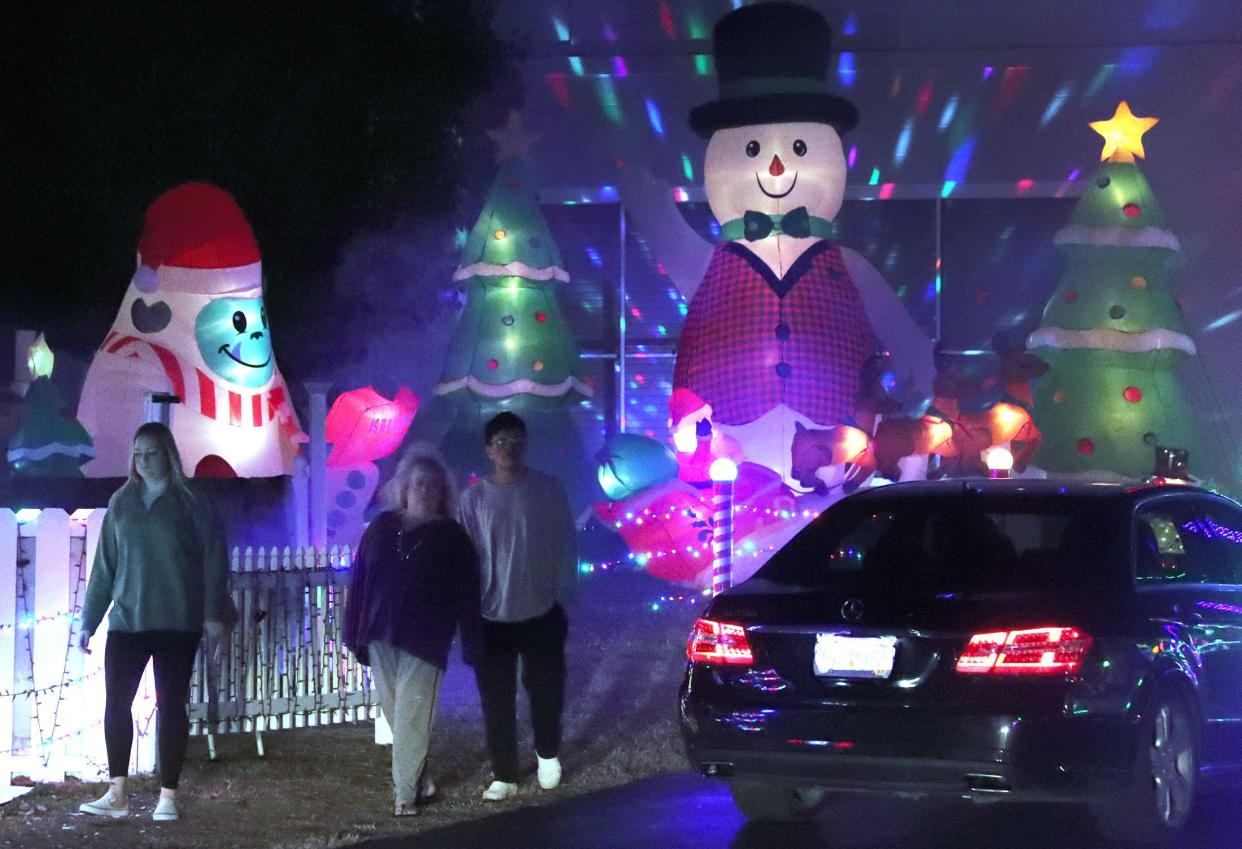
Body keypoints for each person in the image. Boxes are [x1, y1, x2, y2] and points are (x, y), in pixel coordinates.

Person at [78, 422, 235, 822]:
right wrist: (89, 620)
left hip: (177, 621)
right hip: (128, 620)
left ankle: (168, 795)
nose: (143, 461)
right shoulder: (122, 501)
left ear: (168, 454)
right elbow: (105, 565)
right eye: (137, 454)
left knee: (171, 705)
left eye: (150, 453)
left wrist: (214, 612)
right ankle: (117, 792)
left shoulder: (192, 502)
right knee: (116, 703)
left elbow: (214, 558)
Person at [343, 445, 480, 816]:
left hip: (426, 639)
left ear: (442, 492)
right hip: (380, 634)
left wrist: (472, 641)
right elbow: (361, 581)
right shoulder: (382, 529)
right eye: (418, 483)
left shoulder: (452, 538)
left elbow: (467, 595)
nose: (424, 490)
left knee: (413, 713)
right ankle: (423, 779)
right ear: (403, 486)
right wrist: (353, 632)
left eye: (432, 485)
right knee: (397, 712)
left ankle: (404, 795)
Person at [459, 412, 577, 801]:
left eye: (517, 441)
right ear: (489, 450)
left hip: (541, 609)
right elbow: (466, 554)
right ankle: (505, 773)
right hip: (491, 614)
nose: (510, 449)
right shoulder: (473, 499)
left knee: (546, 689)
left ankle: (547, 755)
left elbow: (566, 541)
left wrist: (563, 588)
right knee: (496, 696)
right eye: (502, 442)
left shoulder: (547, 489)